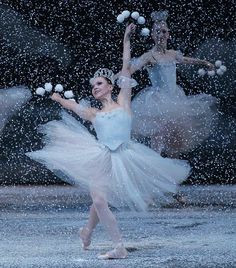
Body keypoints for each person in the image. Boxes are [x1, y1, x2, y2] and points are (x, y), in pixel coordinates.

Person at [26, 24, 191, 259]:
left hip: (126, 157)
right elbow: (73, 106)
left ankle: (87, 231)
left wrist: (125, 39)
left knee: (100, 201)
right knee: (101, 200)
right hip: (101, 158)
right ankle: (118, 246)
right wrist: (58, 98)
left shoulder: (124, 101)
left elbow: (125, 67)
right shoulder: (94, 114)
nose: (95, 88)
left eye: (99, 84)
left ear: (111, 87)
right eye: (93, 86)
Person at [129, 10, 218, 158]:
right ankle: (154, 166)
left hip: (175, 99)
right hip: (157, 101)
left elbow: (187, 60)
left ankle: (172, 173)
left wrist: (204, 62)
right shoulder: (149, 56)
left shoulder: (172, 54)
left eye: (164, 31)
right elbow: (132, 68)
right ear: (152, 35)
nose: (161, 35)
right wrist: (116, 76)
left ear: (168, 34)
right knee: (158, 134)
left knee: (175, 139)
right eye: (157, 32)